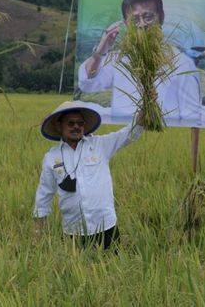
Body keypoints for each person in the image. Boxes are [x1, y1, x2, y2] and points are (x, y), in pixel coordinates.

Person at [78, 0, 201, 125]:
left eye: (148, 17)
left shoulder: (181, 62)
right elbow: (87, 83)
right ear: (126, 23)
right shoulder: (119, 58)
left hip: (162, 136)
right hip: (122, 137)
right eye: (135, 19)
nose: (142, 24)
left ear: (161, 17)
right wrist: (101, 50)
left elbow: (191, 115)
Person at [33, 101, 145, 249]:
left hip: (106, 227)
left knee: (110, 268)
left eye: (80, 123)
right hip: (73, 231)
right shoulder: (51, 157)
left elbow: (130, 133)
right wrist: (37, 235)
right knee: (76, 271)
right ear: (59, 126)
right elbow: (44, 196)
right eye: (71, 123)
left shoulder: (100, 145)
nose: (76, 127)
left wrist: (147, 105)